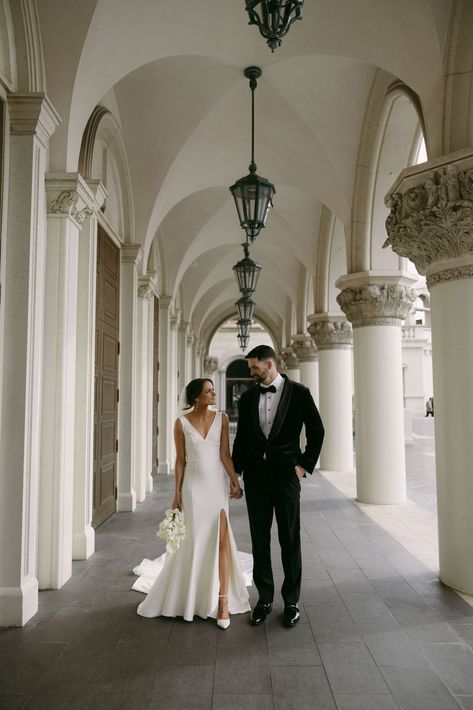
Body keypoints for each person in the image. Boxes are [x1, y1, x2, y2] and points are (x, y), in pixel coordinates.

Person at [133, 378, 251, 628]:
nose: (213, 393)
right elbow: (180, 461)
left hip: (216, 486)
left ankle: (223, 603)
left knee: (221, 541)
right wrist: (176, 493)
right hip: (193, 488)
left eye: (213, 390)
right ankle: (191, 597)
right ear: (196, 397)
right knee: (195, 542)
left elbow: (225, 455)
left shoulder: (222, 418)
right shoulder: (181, 423)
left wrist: (235, 481)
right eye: (208, 391)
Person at [232, 345, 324, 628]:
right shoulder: (248, 398)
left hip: (286, 478)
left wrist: (303, 465)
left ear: (269, 365)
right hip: (256, 478)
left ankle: (292, 601)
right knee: (259, 541)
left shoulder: (299, 393)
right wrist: (235, 474)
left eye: (254, 368)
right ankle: (264, 599)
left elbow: (317, 430)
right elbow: (243, 438)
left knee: (289, 539)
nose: (250, 373)